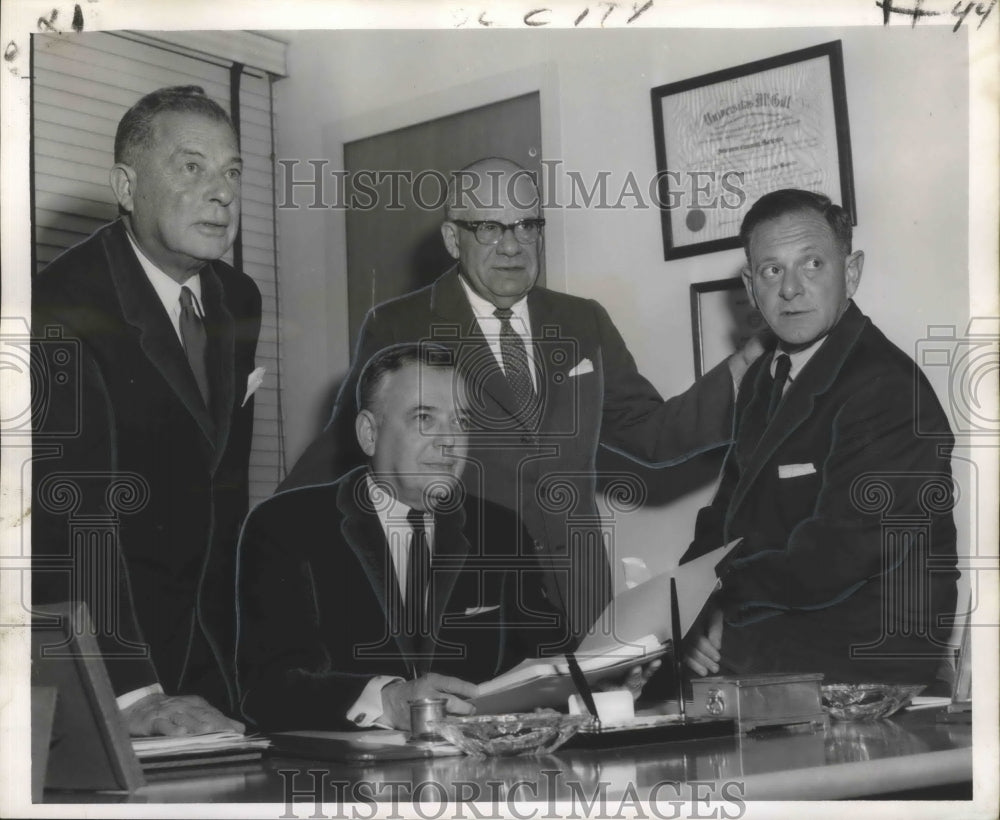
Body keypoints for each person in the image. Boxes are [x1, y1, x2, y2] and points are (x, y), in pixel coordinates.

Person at [280, 157, 761, 648]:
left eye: (527, 225)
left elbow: (653, 434)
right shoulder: (398, 325)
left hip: (582, 603)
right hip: (466, 601)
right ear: (452, 239)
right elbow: (338, 457)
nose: (512, 245)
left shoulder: (582, 321)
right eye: (489, 227)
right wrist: (269, 555)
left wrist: (746, 364)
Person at [32, 86, 261, 735]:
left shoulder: (238, 296)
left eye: (232, 171)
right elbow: (73, 521)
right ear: (126, 187)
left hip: (211, 656)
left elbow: (217, 489)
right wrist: (132, 697)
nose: (222, 193)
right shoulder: (58, 304)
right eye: (192, 167)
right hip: (112, 666)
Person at [682, 189, 958, 685]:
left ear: (850, 273)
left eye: (812, 264)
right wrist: (688, 607)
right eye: (771, 270)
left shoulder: (887, 388)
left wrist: (718, 597)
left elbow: (835, 555)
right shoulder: (768, 377)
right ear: (750, 285)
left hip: (866, 667)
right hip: (776, 646)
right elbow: (726, 514)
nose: (790, 289)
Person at [236, 344, 573, 731]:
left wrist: (608, 678)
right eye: (424, 418)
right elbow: (267, 690)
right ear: (368, 433)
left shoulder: (499, 529)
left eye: (461, 421)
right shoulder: (286, 525)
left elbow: (551, 658)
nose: (450, 443)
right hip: (343, 780)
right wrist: (386, 701)